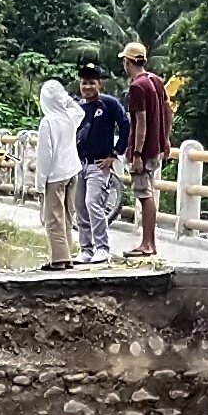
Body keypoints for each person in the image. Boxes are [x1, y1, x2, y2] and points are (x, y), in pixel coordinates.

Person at [72, 59, 132, 262]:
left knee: (93, 204)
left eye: (92, 82)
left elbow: (125, 126)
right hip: (79, 163)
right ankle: (85, 249)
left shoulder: (109, 104)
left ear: (99, 84)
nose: (87, 87)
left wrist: (115, 154)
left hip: (99, 164)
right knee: (79, 206)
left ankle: (102, 247)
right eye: (84, 82)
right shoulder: (77, 107)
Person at [118, 41, 172, 258]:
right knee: (148, 192)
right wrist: (165, 139)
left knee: (144, 195)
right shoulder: (155, 80)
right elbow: (168, 110)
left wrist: (137, 152)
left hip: (144, 149)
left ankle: (147, 243)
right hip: (156, 146)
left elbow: (140, 122)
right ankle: (149, 242)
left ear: (127, 62)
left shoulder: (137, 87)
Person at [33, 77, 83, 271]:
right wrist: (67, 99)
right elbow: (79, 111)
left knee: (54, 219)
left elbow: (45, 157)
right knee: (68, 216)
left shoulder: (48, 123)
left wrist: (39, 184)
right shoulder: (69, 117)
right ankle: (67, 256)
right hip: (72, 172)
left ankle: (59, 260)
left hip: (55, 176)